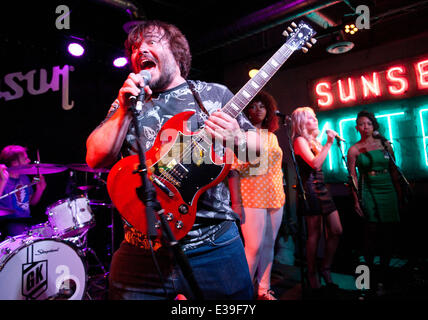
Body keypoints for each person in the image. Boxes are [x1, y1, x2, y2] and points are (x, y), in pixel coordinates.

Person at [85, 20, 261, 300]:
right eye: (134, 48)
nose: (139, 50)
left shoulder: (213, 95)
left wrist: (237, 137)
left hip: (214, 245)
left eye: (151, 42)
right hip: (141, 251)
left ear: (177, 52)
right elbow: (95, 157)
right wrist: (124, 110)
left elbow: (257, 155)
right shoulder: (126, 103)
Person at [228, 91, 285, 300]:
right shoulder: (240, 137)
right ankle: (240, 294)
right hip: (251, 194)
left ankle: (263, 289)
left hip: (275, 195)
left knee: (270, 244)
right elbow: (233, 170)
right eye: (253, 106)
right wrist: (236, 203)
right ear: (246, 111)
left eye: (262, 106)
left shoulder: (272, 136)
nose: (258, 110)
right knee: (253, 246)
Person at [290, 107, 343, 293]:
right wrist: (328, 143)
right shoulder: (299, 141)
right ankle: (312, 273)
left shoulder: (313, 141)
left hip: (322, 187)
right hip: (310, 189)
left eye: (315, 117)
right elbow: (315, 163)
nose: (316, 120)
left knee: (336, 229)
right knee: (314, 234)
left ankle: (325, 267)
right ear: (302, 122)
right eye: (311, 118)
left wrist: (324, 143)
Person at [347, 110, 401, 291]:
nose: (366, 127)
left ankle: (384, 277)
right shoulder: (354, 149)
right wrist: (356, 200)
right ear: (357, 127)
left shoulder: (385, 144)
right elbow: (352, 176)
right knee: (371, 233)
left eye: (369, 124)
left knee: (389, 235)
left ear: (374, 125)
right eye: (362, 124)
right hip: (368, 190)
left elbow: (394, 170)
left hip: (388, 190)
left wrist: (399, 193)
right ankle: (366, 280)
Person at [0, 145, 46, 238]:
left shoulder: (24, 178)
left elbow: (32, 202)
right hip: (8, 223)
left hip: (26, 221)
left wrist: (40, 189)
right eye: (25, 159)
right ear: (14, 163)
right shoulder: (2, 179)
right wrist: (3, 181)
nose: (29, 161)